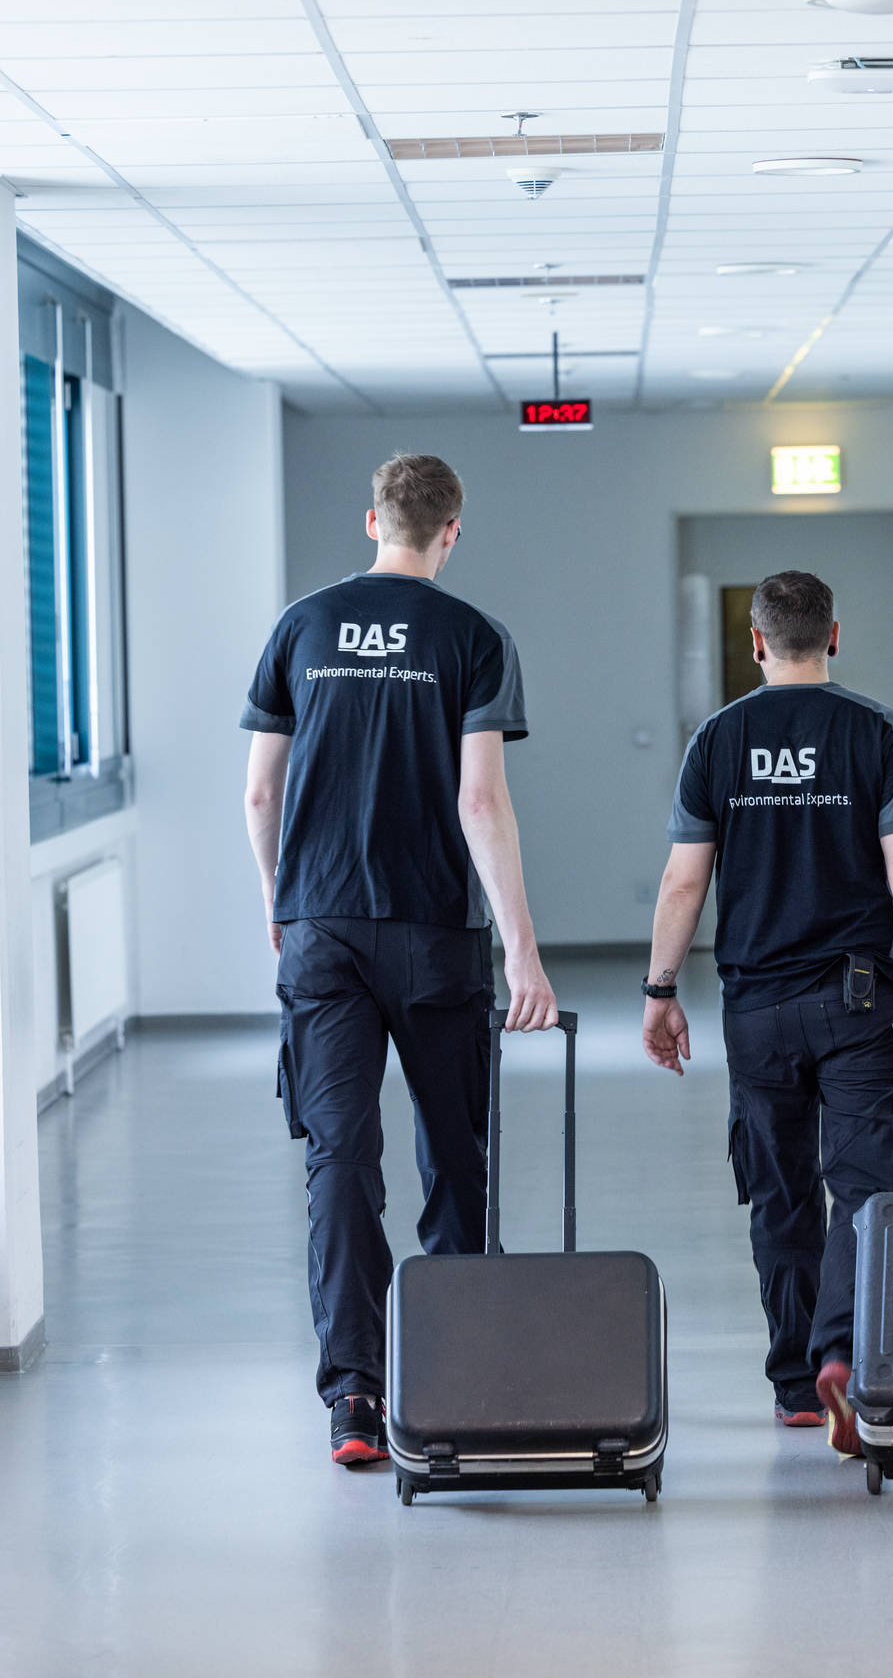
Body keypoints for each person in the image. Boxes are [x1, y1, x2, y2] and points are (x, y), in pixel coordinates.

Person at [241, 452, 556, 1466]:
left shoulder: (301, 624)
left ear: (369, 519)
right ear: (450, 531)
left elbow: (260, 795)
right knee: (454, 1156)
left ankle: (353, 1399)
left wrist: (276, 906)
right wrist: (523, 953)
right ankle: (460, 1378)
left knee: (338, 1161)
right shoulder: (471, 636)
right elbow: (479, 802)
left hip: (322, 928)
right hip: (432, 933)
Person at [641, 570, 893, 1453]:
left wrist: (659, 991)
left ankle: (797, 1383)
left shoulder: (716, 741)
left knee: (779, 1192)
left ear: (757, 643)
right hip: (860, 1005)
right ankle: (842, 1348)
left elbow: (686, 881)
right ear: (834, 634)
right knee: (867, 1185)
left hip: (754, 1008)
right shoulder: (879, 734)